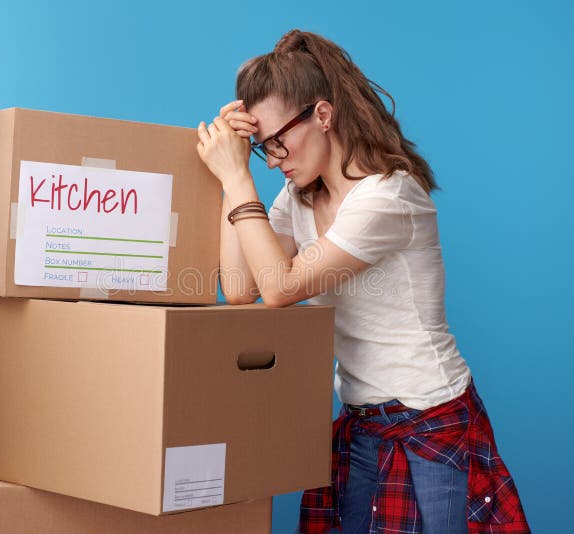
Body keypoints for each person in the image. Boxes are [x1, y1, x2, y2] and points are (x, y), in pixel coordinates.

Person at [196, 29, 530, 534]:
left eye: (276, 141)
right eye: (260, 147)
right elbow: (242, 288)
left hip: (429, 423)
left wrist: (241, 181)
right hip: (363, 423)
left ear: (323, 115)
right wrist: (230, 177)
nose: (274, 160)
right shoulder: (300, 197)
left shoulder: (387, 196)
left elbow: (279, 288)